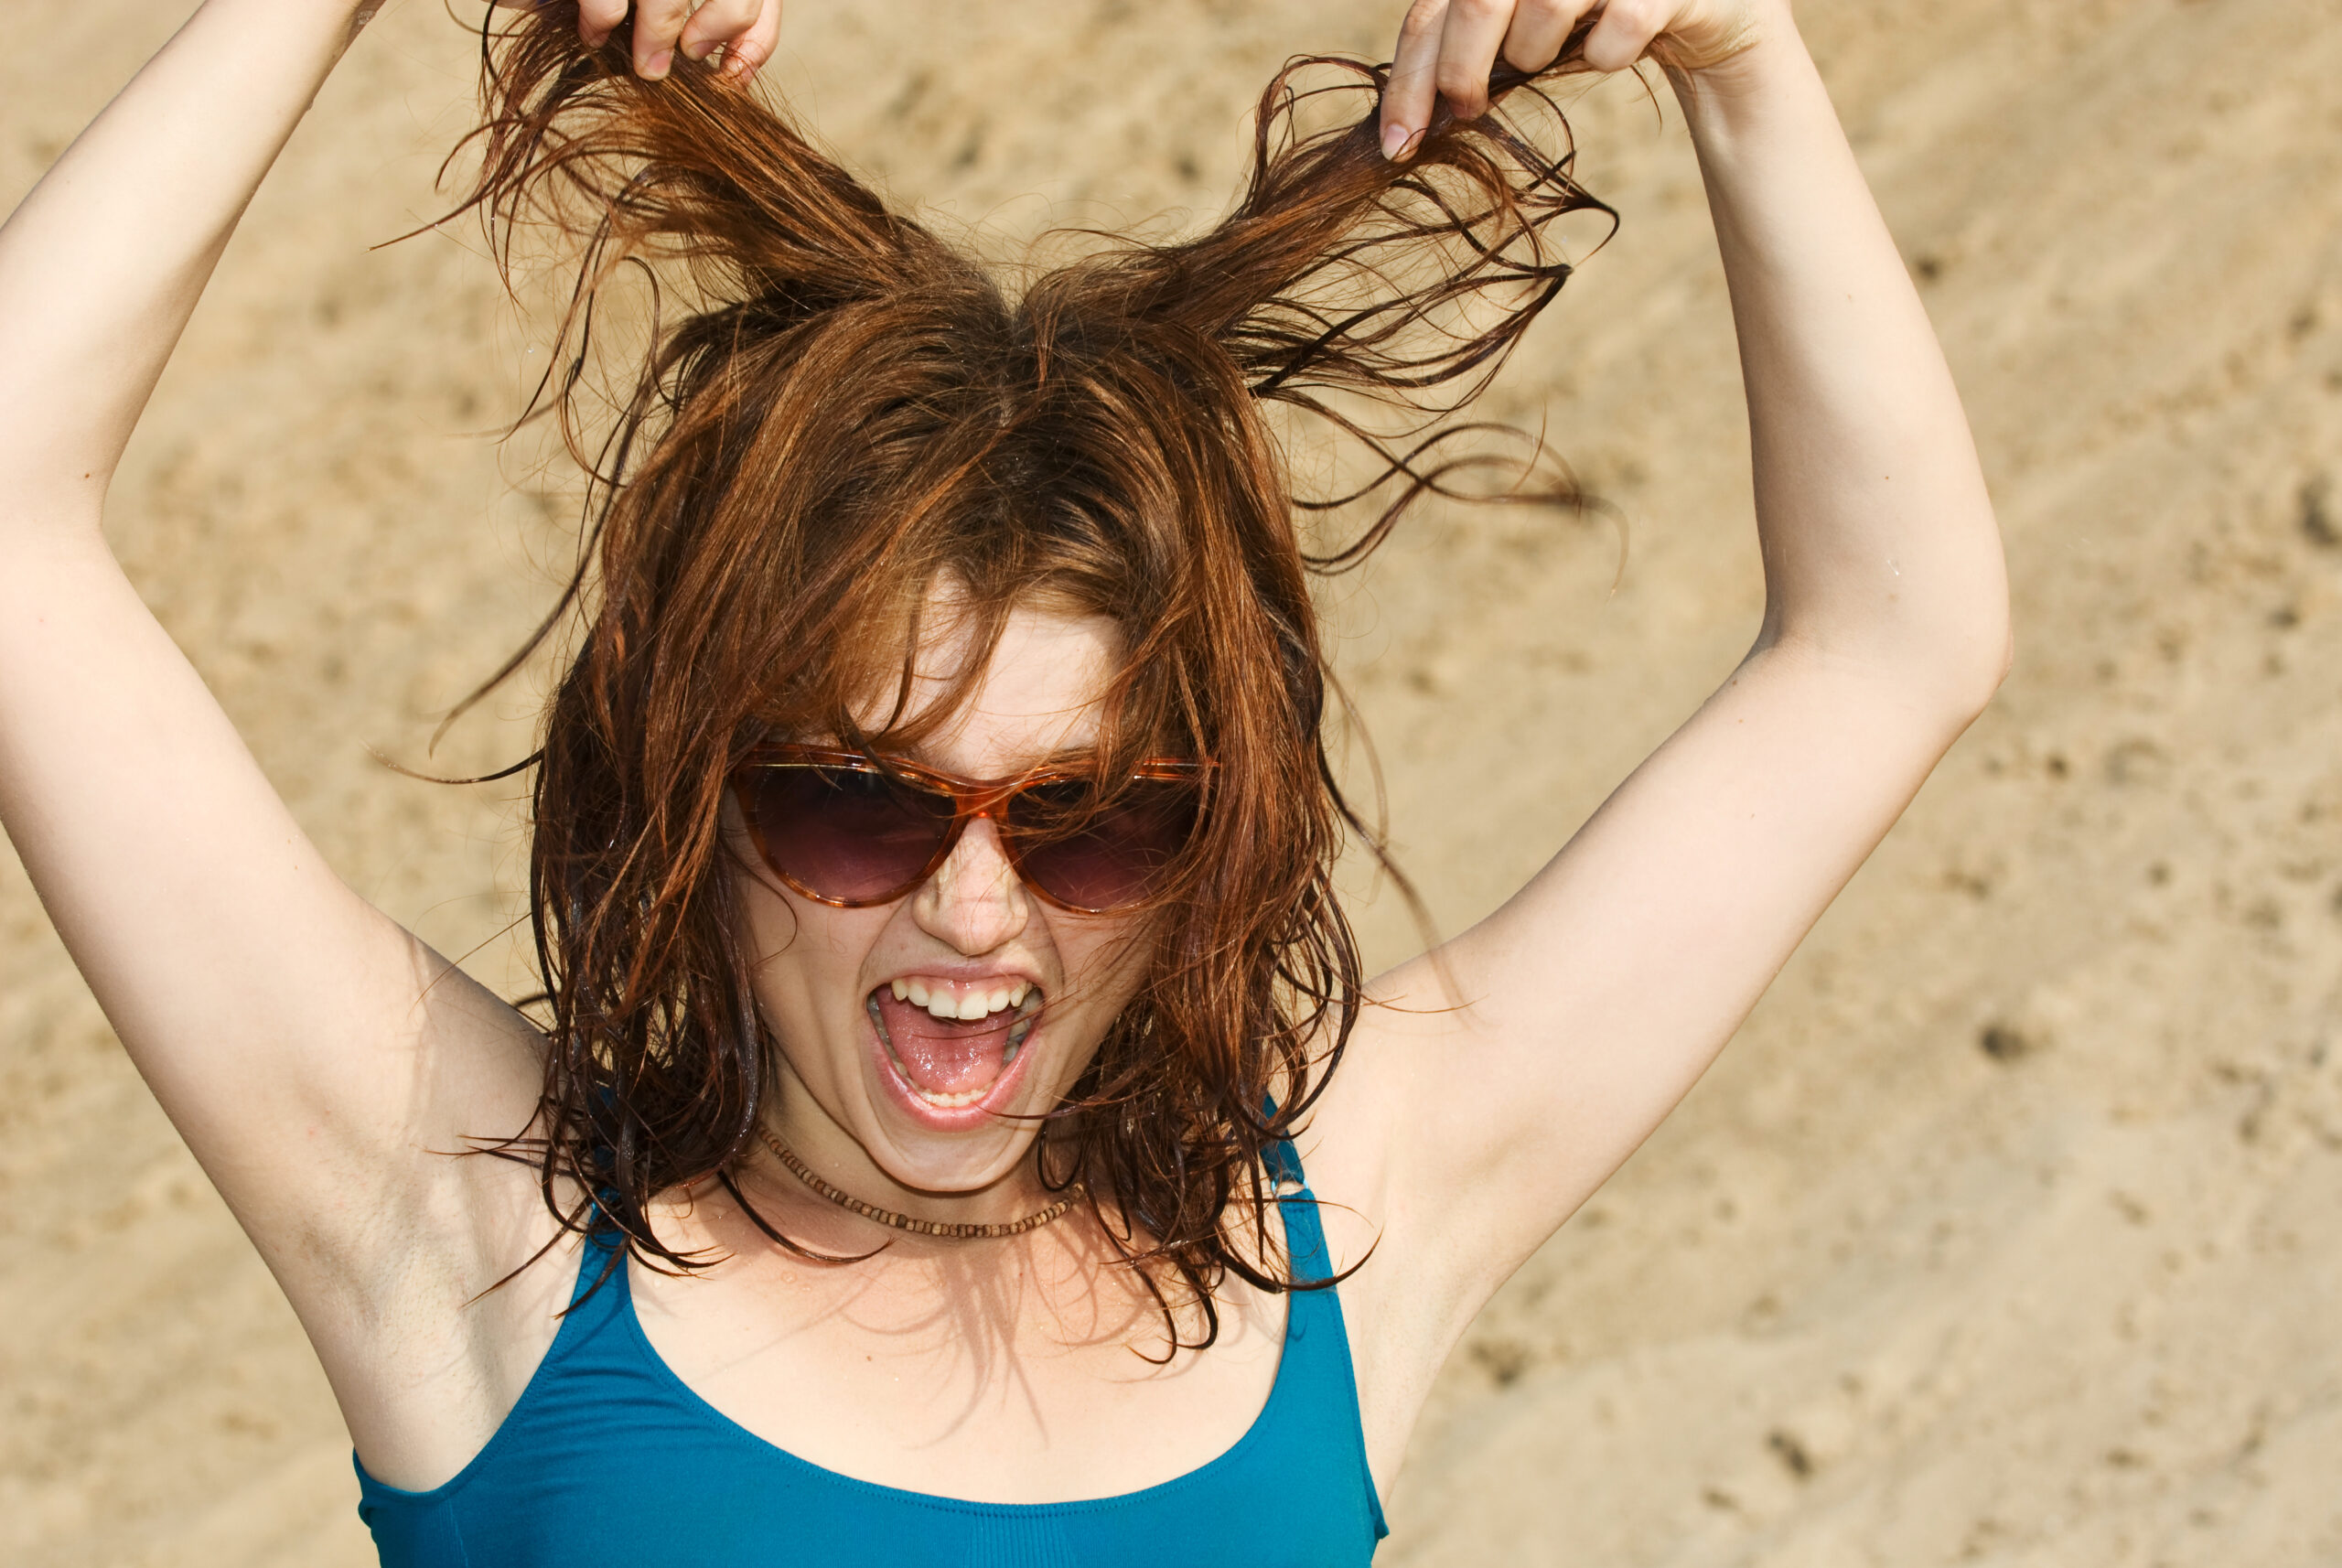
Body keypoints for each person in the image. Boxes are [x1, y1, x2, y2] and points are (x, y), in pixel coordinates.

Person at [0, 0, 2008, 1563]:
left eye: (1092, 816)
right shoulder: (477, 1233)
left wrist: (1742, 58)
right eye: (854, 804)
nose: (978, 910)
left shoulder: (1347, 1217)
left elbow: (1888, 646)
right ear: (696, 812)